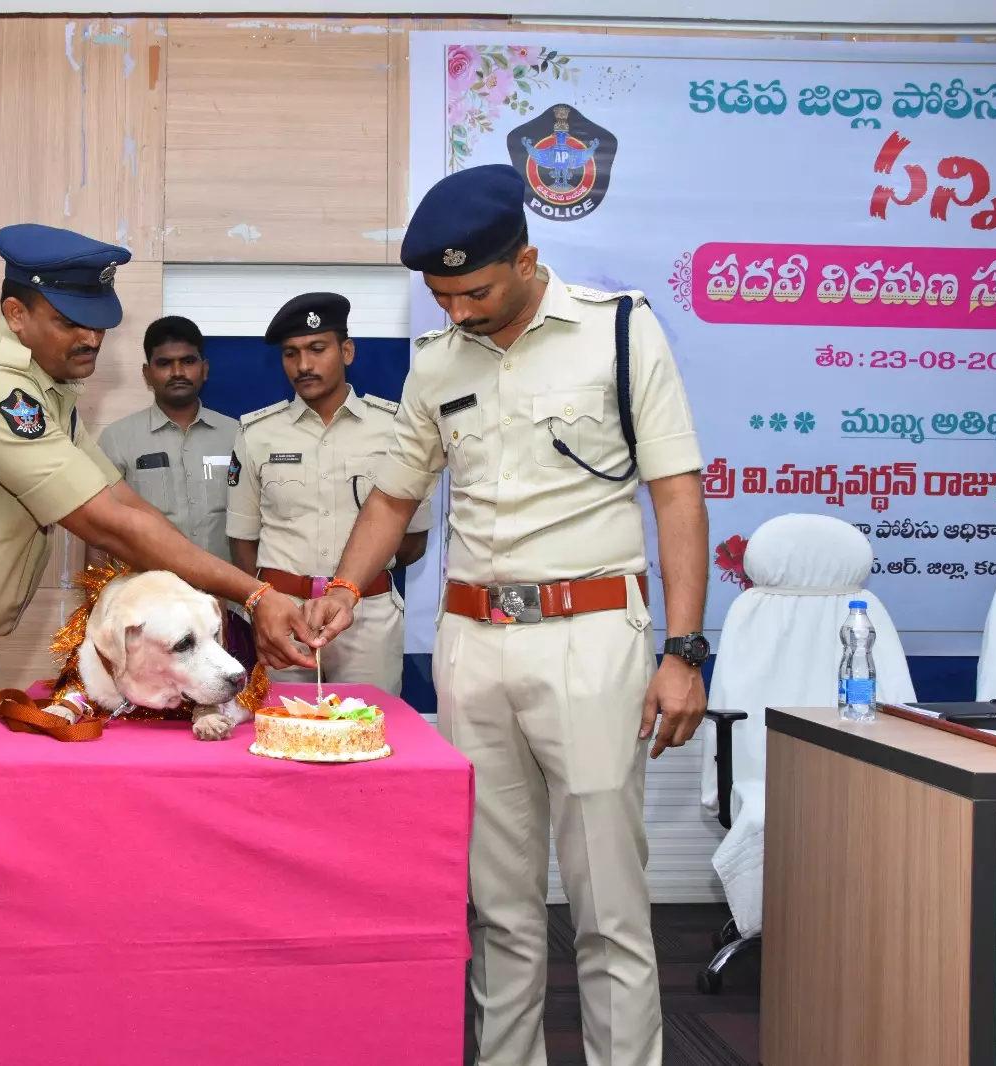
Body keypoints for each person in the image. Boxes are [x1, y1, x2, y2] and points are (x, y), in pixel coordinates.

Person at [0, 222, 316, 1066]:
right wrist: (253, 591)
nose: (90, 335)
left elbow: (123, 505)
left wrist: (244, 594)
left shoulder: (48, 391)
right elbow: (98, 519)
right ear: (17, 313)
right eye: (69, 318)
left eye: (98, 317)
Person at [305, 164, 710, 1066]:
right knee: (498, 906)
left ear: (527, 259)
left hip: (592, 636)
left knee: (608, 908)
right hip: (471, 647)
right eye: (442, 296)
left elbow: (678, 495)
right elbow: (393, 499)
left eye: (476, 290)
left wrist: (684, 648)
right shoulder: (434, 360)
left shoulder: (619, 331)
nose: (459, 310)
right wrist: (342, 590)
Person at [227, 292, 433, 695]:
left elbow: (411, 542)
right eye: (291, 353)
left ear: (348, 351)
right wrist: (270, 602)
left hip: (367, 617)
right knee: (282, 736)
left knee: (367, 735)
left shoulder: (394, 429)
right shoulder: (257, 434)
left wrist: (356, 581)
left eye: (317, 349)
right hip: (284, 615)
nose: (303, 365)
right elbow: (243, 543)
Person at [88, 316, 239, 566]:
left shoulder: (237, 435)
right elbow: (98, 529)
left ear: (205, 369)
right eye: (165, 363)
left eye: (188, 361)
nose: (177, 372)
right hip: (146, 597)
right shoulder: (117, 438)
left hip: (225, 598)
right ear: (147, 374)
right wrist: (98, 597)